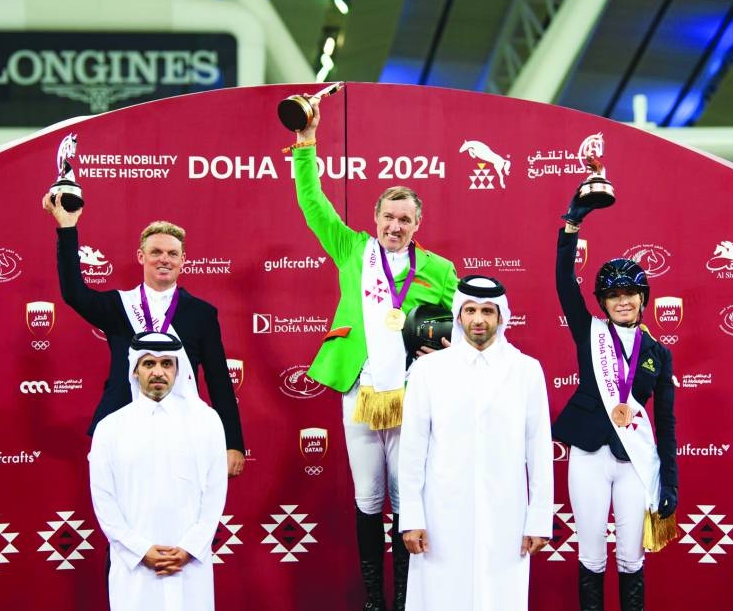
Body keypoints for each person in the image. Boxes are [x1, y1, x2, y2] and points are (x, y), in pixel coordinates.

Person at [289, 97, 459, 611]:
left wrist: (446, 351)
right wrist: (305, 144)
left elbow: (463, 327)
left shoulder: (440, 269)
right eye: (389, 216)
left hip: (413, 397)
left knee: (407, 500)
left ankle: (407, 599)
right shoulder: (351, 249)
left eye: (405, 219)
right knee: (367, 498)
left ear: (417, 224)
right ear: (376, 217)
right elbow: (312, 203)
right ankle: (372, 601)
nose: (396, 226)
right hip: (358, 391)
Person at [41, 195, 245, 477]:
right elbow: (74, 293)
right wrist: (67, 226)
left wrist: (232, 443)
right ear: (141, 256)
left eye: (173, 254)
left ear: (183, 260)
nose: (165, 259)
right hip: (123, 428)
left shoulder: (202, 313)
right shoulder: (118, 305)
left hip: (184, 430)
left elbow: (219, 379)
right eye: (156, 251)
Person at [398, 275, 553, 611]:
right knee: (440, 596)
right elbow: (412, 450)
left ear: (501, 317)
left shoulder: (526, 370)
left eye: (487, 311)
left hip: (506, 513)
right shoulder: (428, 370)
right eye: (470, 310)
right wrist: (411, 517)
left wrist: (539, 519)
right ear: (458, 315)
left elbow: (539, 449)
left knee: (501, 597)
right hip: (441, 513)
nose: (478, 319)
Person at [555, 194, 678, 611]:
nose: (623, 300)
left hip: (634, 464)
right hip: (589, 455)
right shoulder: (588, 331)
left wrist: (671, 483)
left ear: (643, 298)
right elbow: (562, 283)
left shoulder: (658, 353)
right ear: (603, 302)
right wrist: (570, 229)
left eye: (631, 293)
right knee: (591, 555)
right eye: (613, 295)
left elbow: (666, 422)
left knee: (630, 558)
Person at [89, 331, 228, 611]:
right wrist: (140, 550)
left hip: (191, 566)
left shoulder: (207, 421)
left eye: (166, 364)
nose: (158, 372)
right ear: (135, 370)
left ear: (178, 370)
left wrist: (188, 549)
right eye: (149, 364)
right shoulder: (110, 428)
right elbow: (104, 501)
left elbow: (215, 493)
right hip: (135, 569)